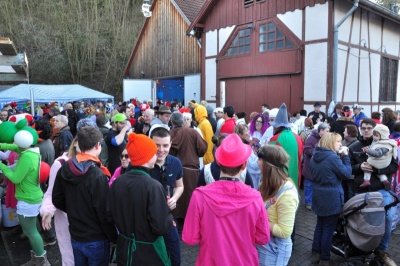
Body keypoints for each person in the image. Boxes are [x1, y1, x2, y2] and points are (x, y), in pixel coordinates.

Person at [183, 134, 270, 265]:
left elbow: (190, 238)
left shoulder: (199, 196)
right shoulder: (255, 198)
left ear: (218, 161)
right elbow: (263, 238)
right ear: (244, 165)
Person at [53, 127, 117, 265]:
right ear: (97, 145)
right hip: (96, 238)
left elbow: (57, 199)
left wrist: (75, 211)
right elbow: (104, 212)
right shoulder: (97, 174)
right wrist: (113, 237)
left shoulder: (65, 166)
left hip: (76, 234)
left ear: (78, 144)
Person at [107, 133, 173, 265]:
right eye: (153, 153)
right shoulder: (153, 186)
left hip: (124, 250)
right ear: (148, 158)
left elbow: (109, 216)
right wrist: (168, 215)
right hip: (149, 253)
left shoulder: (117, 182)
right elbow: (160, 226)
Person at [348, 118, 398, 266]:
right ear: (360, 129)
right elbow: (348, 167)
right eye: (363, 128)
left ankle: (382, 250)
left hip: (381, 189)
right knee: (362, 222)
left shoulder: (386, 144)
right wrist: (359, 167)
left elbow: (394, 167)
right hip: (361, 189)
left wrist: (377, 169)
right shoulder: (354, 146)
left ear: (375, 130)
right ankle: (361, 249)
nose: (366, 131)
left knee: (388, 218)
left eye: (369, 128)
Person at [0, 119, 51, 265]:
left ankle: (42, 261)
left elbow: (15, 178)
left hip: (28, 199)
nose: (14, 144)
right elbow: (12, 147)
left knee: (31, 232)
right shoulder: (30, 150)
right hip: (31, 197)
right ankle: (37, 259)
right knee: (31, 230)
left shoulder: (27, 157)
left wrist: (1, 167)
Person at [310, 133, 352, 265]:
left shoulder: (315, 156)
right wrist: (345, 157)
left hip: (318, 194)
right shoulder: (332, 158)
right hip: (332, 197)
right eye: (338, 142)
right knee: (328, 229)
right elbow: (346, 173)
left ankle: (315, 253)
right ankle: (325, 258)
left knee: (320, 225)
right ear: (330, 143)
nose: (341, 144)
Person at [256, 145, 299, 266]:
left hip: (275, 250)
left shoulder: (287, 195)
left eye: (260, 159)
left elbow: (285, 231)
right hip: (265, 244)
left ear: (268, 165)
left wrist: (259, 220)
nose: (257, 161)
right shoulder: (265, 183)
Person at [40, 138, 79, 266]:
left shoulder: (94, 162)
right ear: (76, 143)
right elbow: (52, 192)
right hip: (67, 220)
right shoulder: (60, 163)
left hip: (88, 222)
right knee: (70, 257)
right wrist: (48, 211)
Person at [149, 125, 184, 266]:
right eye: (157, 145)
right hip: (147, 222)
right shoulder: (142, 164)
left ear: (170, 144)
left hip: (168, 219)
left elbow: (180, 186)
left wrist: (175, 198)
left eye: (165, 145)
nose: (161, 150)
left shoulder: (176, 163)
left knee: (175, 259)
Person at [169, 112, 207, 231]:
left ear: (172, 122)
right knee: (190, 198)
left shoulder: (169, 134)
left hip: (174, 170)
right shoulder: (192, 132)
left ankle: (178, 224)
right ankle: (191, 225)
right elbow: (202, 149)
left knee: (176, 197)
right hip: (191, 170)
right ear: (182, 121)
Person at [359, 124, 397, 190]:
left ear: (382, 136)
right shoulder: (378, 143)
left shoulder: (385, 145)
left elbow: (377, 153)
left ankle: (366, 180)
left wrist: (368, 150)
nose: (366, 130)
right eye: (363, 128)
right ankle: (385, 180)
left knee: (367, 166)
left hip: (381, 163)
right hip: (380, 166)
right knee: (379, 172)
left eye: (376, 135)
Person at [302, 123, 330, 211]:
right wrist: (318, 150)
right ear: (321, 130)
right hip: (310, 166)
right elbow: (306, 150)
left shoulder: (326, 139)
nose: (328, 133)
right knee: (309, 185)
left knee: (317, 185)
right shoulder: (312, 138)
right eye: (327, 131)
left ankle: (315, 202)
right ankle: (308, 202)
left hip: (319, 167)